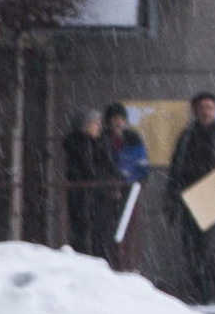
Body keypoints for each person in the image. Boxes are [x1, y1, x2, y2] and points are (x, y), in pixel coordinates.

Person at [164, 90, 215, 305]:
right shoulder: (188, 135)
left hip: (214, 196)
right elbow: (177, 166)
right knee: (192, 249)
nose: (206, 112)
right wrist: (172, 194)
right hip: (191, 197)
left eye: (209, 108)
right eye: (202, 108)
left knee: (211, 249)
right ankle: (203, 293)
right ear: (195, 111)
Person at [100, 103, 150, 271]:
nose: (118, 123)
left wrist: (127, 181)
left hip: (129, 193)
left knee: (127, 230)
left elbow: (142, 167)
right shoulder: (102, 140)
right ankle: (109, 263)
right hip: (105, 194)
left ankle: (125, 266)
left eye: (121, 119)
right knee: (107, 230)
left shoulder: (133, 140)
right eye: (114, 119)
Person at [62, 108, 109, 256]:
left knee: (98, 229)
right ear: (85, 125)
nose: (98, 127)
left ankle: (96, 255)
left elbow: (107, 164)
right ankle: (82, 255)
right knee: (80, 228)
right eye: (95, 123)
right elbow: (87, 167)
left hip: (96, 194)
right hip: (82, 192)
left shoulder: (99, 142)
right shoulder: (78, 143)